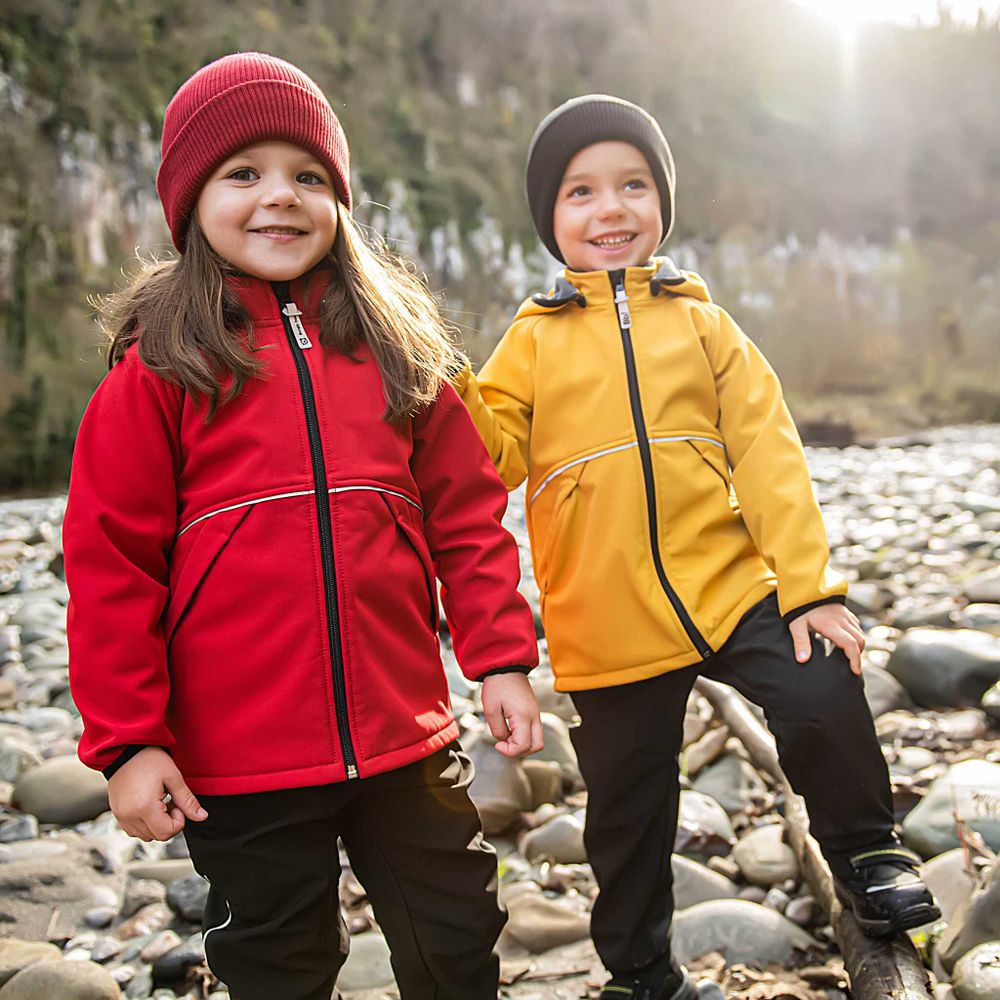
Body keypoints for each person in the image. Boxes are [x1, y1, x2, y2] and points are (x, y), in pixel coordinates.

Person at [64, 52, 543, 1000]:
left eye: (309, 176)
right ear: (190, 201)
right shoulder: (157, 371)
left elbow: (466, 516)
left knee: (457, 934)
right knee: (278, 962)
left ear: (340, 201)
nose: (280, 196)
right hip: (239, 760)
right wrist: (128, 742)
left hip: (405, 735)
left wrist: (500, 658)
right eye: (243, 173)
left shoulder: (397, 351)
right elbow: (111, 565)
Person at [456, 94, 940, 1000]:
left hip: (727, 587)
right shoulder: (531, 341)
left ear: (663, 205)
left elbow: (769, 455)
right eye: (581, 192)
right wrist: (448, 383)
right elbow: (492, 457)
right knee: (628, 813)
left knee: (822, 687)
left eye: (633, 186)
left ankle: (870, 861)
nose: (611, 209)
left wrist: (809, 589)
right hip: (607, 619)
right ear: (551, 220)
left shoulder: (704, 323)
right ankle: (642, 973)